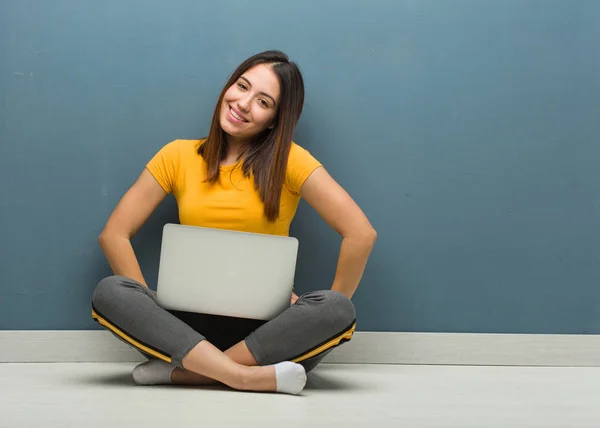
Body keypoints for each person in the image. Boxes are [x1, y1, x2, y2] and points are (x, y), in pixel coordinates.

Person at [91, 50, 377, 395]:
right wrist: (155, 314)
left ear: (274, 119)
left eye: (263, 101)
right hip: (184, 329)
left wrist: (313, 322)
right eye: (241, 86)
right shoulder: (177, 156)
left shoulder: (290, 161)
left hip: (266, 334)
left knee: (337, 309)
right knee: (110, 292)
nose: (243, 103)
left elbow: (361, 234)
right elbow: (114, 235)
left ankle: (188, 373)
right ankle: (241, 377)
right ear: (228, 86)